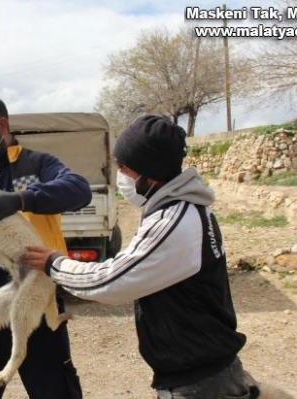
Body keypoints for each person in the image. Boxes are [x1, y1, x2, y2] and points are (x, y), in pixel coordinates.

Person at [23, 115, 258, 399]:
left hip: (200, 383)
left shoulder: (175, 221)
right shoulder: (184, 211)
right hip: (203, 374)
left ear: (150, 172)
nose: (121, 176)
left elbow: (112, 281)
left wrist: (54, 264)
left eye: (124, 168)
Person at [0, 95, 91, 399]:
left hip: (37, 307)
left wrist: (20, 199)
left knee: (54, 390)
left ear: (1, 125)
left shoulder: (37, 164)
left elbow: (79, 190)